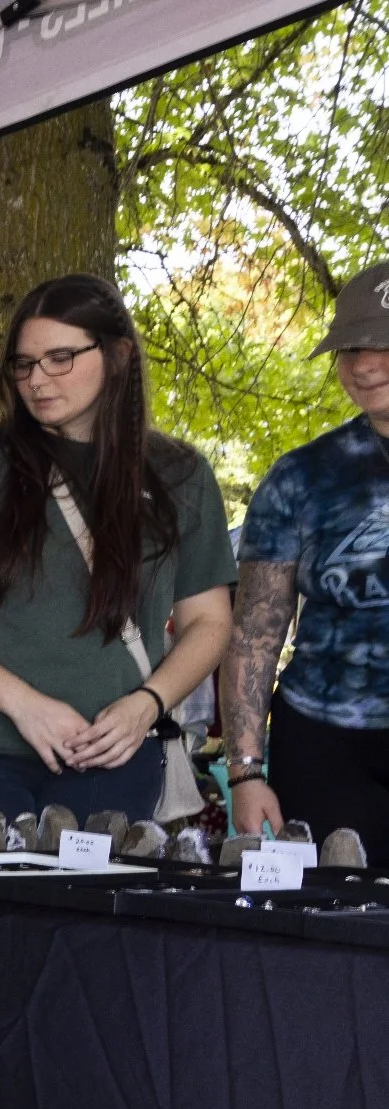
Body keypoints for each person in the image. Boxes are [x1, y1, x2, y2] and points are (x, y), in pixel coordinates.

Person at [0, 275, 234, 841]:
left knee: (95, 905)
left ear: (118, 356)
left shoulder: (181, 475)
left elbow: (209, 622)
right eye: (23, 364)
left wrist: (148, 705)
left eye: (60, 358)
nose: (37, 379)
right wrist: (24, 705)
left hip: (114, 758)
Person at [225, 259, 389, 853]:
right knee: (331, 907)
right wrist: (245, 772)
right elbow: (255, 634)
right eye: (349, 349)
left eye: (382, 346)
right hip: (324, 744)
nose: (363, 365)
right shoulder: (300, 477)